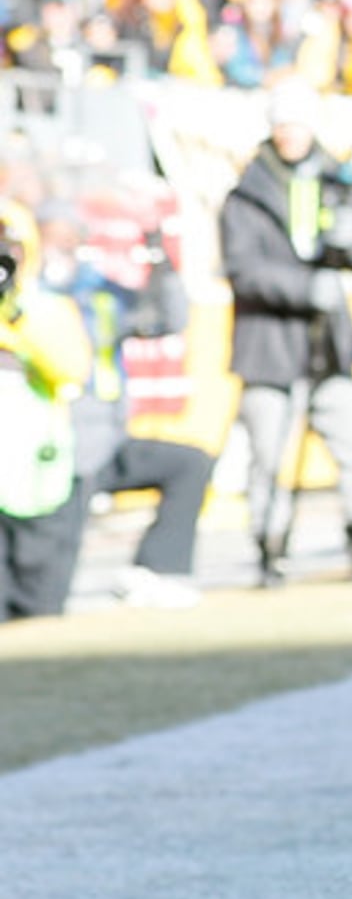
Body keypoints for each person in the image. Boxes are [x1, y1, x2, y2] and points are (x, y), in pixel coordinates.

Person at [221, 84, 352, 586]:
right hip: (270, 343)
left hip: (328, 343)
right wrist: (306, 289)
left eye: (298, 124)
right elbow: (243, 269)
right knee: (269, 454)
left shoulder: (337, 180)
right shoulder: (246, 194)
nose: (290, 134)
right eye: (282, 124)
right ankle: (269, 547)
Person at [36, 199, 214, 609]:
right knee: (46, 591)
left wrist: (159, 258)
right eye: (54, 240)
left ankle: (157, 569)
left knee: (189, 463)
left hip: (106, 442)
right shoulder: (29, 296)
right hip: (51, 449)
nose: (63, 249)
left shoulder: (96, 291)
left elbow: (166, 317)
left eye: (71, 239)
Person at [0, 198, 96, 620]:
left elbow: (72, 368)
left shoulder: (46, 308)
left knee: (39, 606)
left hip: (36, 475)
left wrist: (16, 317)